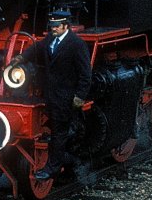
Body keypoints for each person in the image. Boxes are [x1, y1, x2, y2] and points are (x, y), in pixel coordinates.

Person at [7, 10, 92, 180]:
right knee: (55, 131)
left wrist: (80, 96)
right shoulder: (50, 40)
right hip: (50, 95)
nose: (53, 28)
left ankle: (53, 168)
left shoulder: (77, 44)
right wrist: (21, 58)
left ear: (66, 26)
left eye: (56, 26)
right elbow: (37, 48)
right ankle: (58, 162)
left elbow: (85, 73)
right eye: (52, 25)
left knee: (59, 133)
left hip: (66, 96)